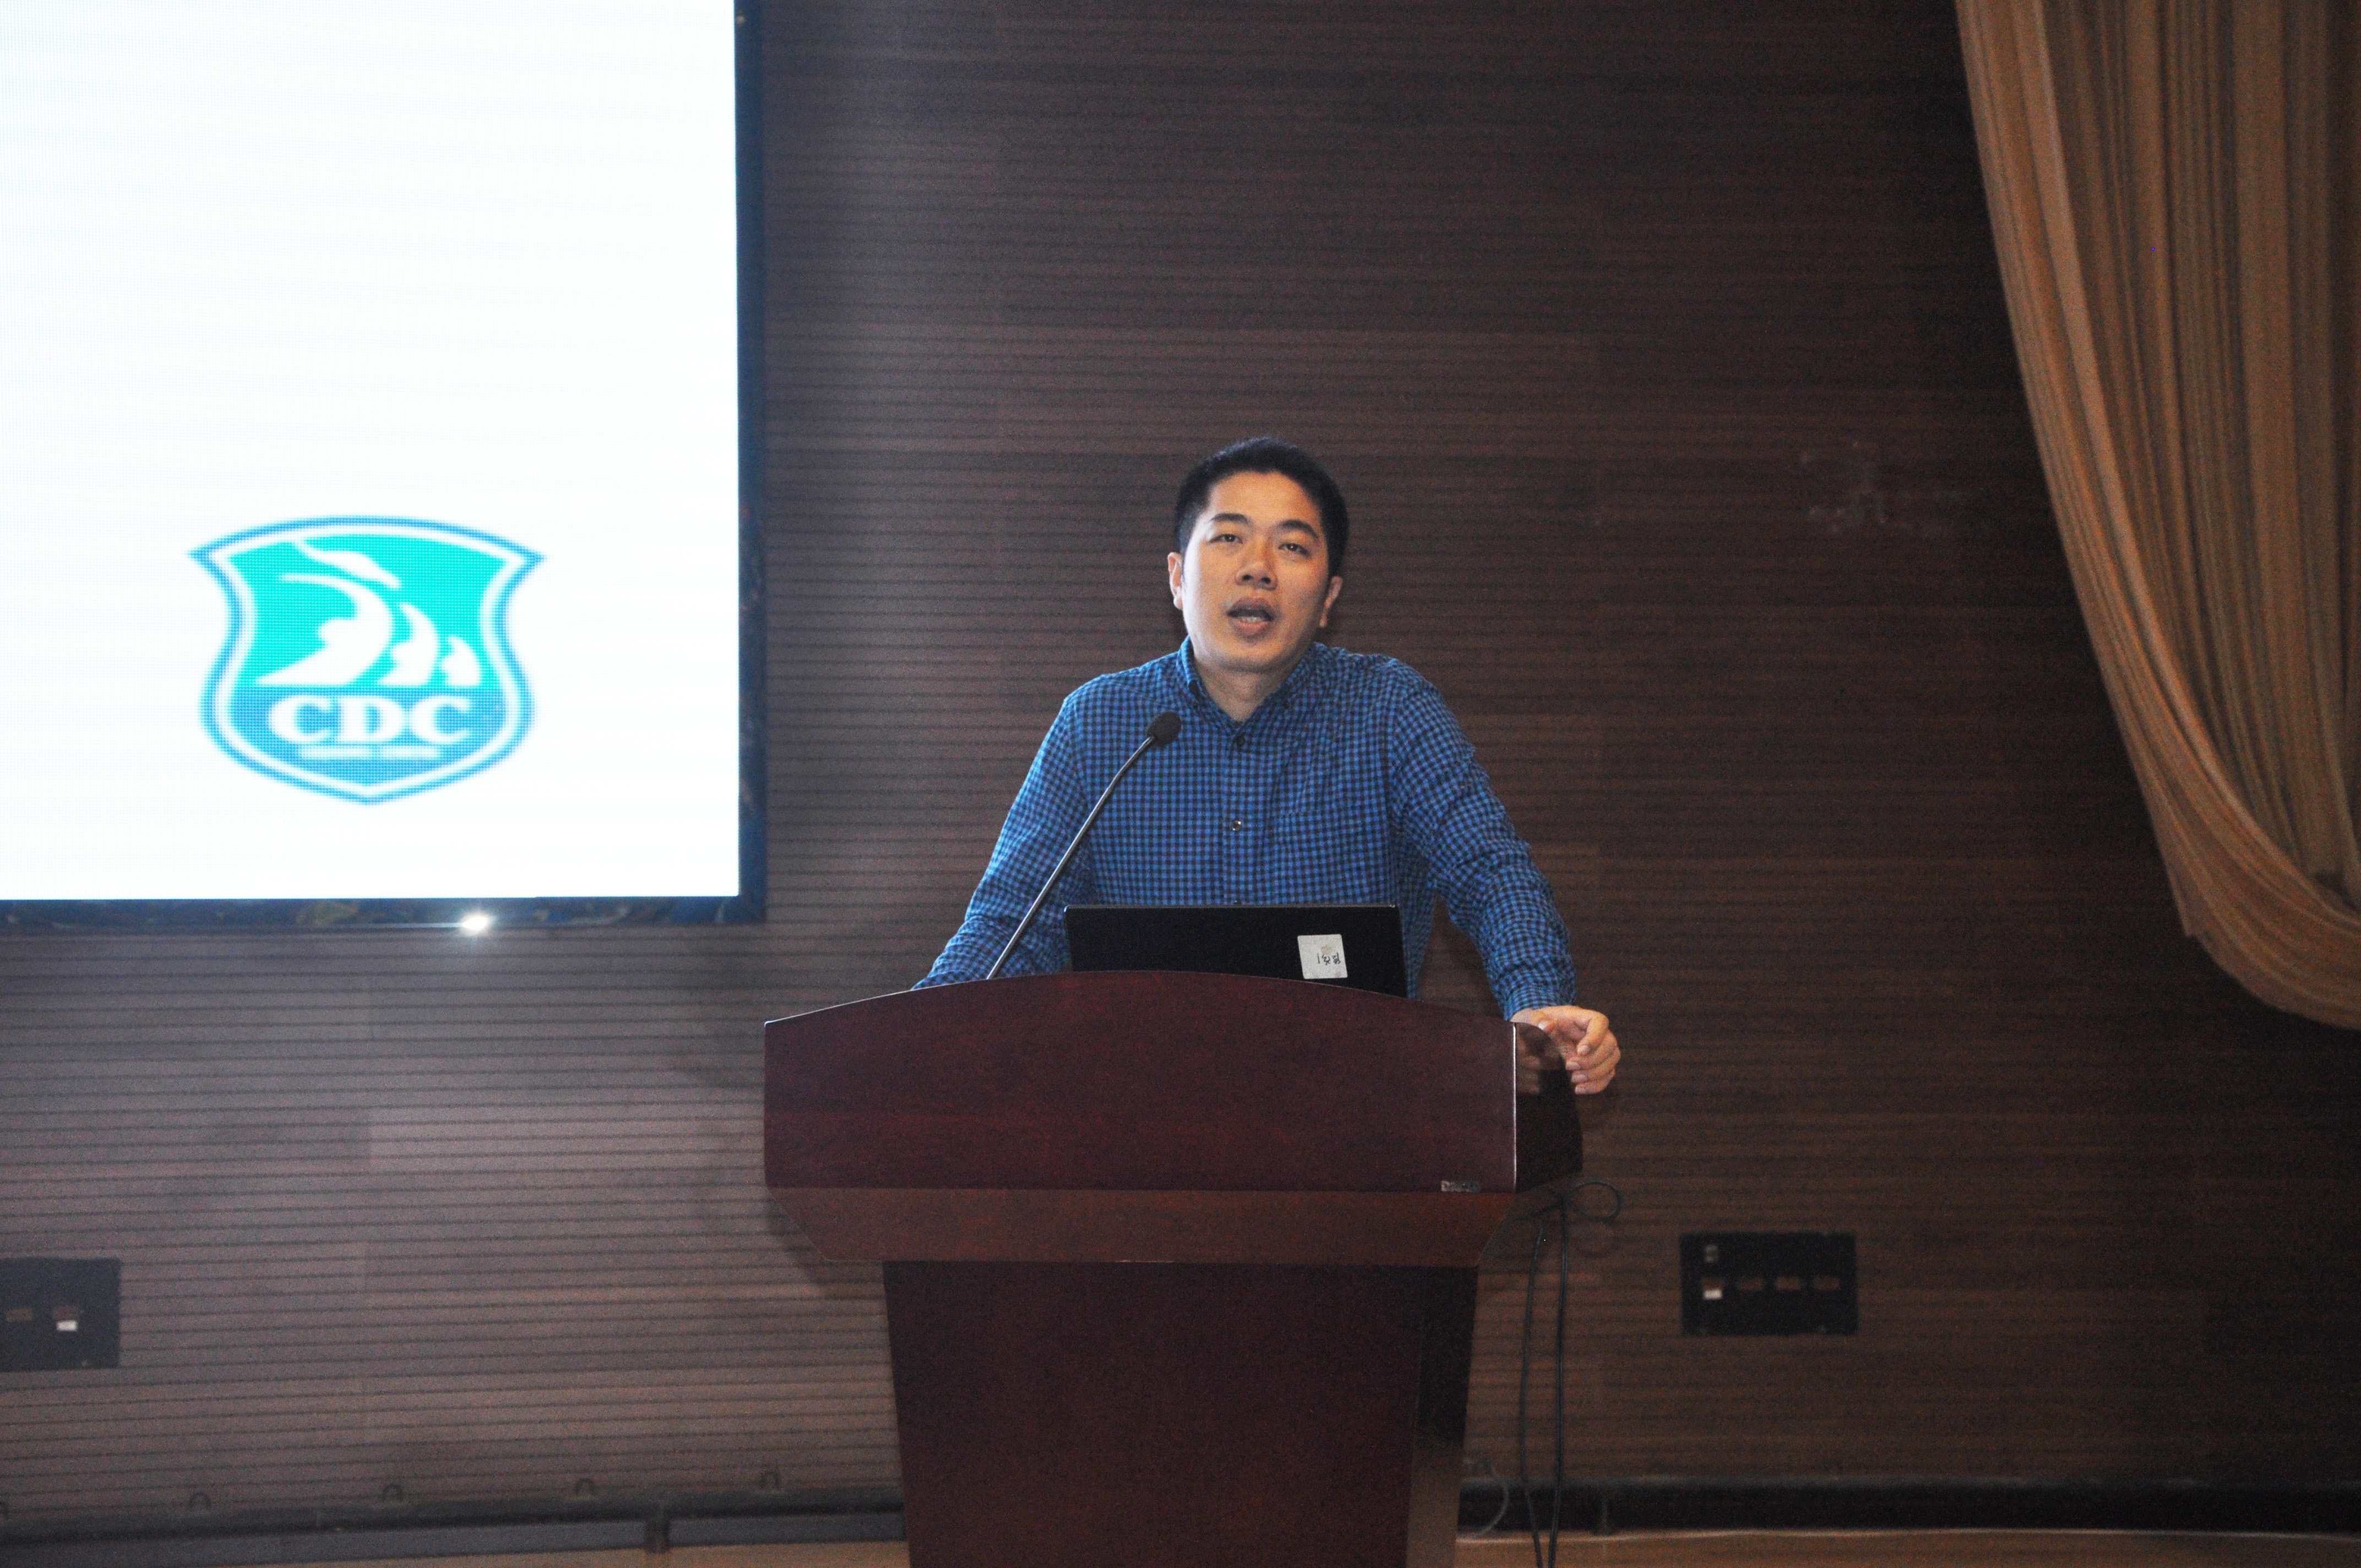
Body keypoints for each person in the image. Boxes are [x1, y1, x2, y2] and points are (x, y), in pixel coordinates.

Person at [917, 437, 1619, 1093]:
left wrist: (1537, 1005)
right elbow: (1013, 925)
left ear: (1329, 599)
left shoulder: (1388, 711)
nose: (1258, 566)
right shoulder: (1099, 723)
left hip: (1357, 1118)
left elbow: (1491, 875)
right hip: (1147, 1120)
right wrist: (909, 1042)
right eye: (1229, 537)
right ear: (1176, 577)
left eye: (1292, 545)